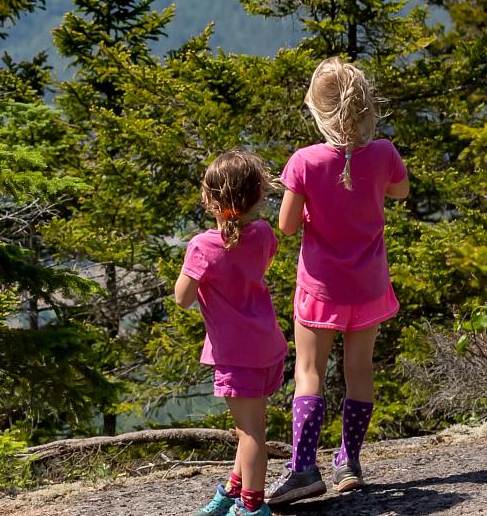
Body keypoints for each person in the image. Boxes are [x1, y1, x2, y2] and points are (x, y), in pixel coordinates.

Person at [267, 58, 409, 505]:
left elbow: (286, 226)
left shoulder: (304, 162)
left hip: (320, 289)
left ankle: (303, 469)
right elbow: (400, 191)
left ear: (318, 110)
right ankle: (349, 461)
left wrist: (313, 207)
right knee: (358, 372)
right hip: (368, 286)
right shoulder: (384, 153)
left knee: (310, 372)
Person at [174, 150, 286, 516]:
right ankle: (232, 491)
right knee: (249, 426)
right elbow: (260, 264)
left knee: (250, 433)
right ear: (256, 196)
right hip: (266, 346)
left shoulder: (203, 246)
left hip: (236, 354)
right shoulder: (264, 233)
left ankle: (252, 507)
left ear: (209, 198)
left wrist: (197, 268)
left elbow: (182, 298)